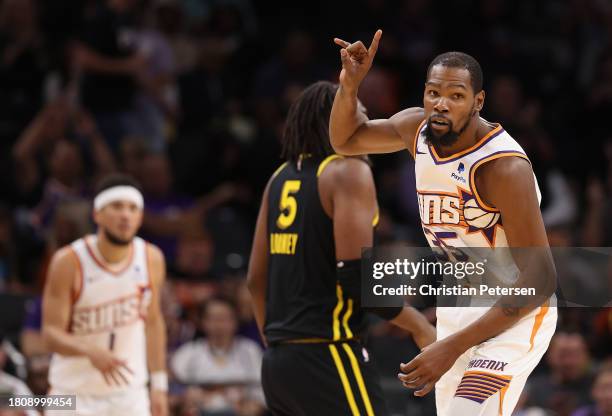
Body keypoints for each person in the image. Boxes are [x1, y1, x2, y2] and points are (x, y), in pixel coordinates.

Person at [330, 30, 557, 416]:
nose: (441, 104)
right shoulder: (414, 128)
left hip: (516, 309)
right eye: (433, 93)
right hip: (461, 300)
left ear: (477, 102)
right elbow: (346, 140)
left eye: (456, 96)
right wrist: (349, 85)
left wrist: (450, 347)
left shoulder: (503, 168)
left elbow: (540, 280)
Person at [247, 80, 435, 415]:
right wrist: (419, 325)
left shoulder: (278, 178)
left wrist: (280, 343)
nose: (366, 124)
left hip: (277, 364)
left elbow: (255, 280)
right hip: (328, 352)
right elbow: (354, 277)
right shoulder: (348, 171)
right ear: (336, 123)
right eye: (361, 116)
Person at [42, 173, 168, 415]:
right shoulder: (68, 261)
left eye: (133, 208)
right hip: (71, 395)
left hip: (129, 395)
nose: (125, 215)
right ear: (97, 214)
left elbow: (153, 322)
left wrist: (159, 385)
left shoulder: (151, 257)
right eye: (117, 206)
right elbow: (50, 335)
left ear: (140, 217)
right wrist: (89, 350)